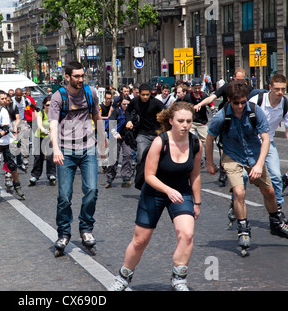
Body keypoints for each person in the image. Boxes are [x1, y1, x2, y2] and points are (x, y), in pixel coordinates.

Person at [109, 102, 202, 291]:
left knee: (187, 234)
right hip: (155, 192)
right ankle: (123, 276)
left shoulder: (195, 143)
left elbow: (195, 174)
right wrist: (167, 190)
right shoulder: (160, 141)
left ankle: (179, 278)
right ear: (171, 121)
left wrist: (197, 202)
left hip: (182, 193)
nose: (185, 125)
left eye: (189, 121)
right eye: (181, 121)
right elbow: (149, 176)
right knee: (140, 240)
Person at [205, 80, 288, 255]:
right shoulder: (221, 116)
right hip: (232, 156)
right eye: (236, 103)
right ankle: (243, 228)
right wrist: (210, 163)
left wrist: (258, 164)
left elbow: (265, 139)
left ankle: (275, 223)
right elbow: (210, 138)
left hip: (254, 155)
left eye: (243, 102)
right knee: (240, 191)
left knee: (270, 192)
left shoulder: (255, 111)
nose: (241, 106)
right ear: (229, 100)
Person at [48, 61, 107, 255]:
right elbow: (53, 125)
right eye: (77, 76)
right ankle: (64, 233)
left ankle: (86, 229)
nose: (81, 79)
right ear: (67, 77)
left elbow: (97, 116)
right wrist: (56, 149)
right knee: (65, 196)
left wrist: (103, 139)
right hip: (65, 150)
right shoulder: (58, 97)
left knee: (91, 190)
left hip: (88, 148)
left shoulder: (90, 93)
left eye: (82, 76)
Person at [248, 74, 288, 214]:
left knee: (276, 176)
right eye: (277, 89)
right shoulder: (256, 100)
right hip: (250, 143)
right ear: (269, 88)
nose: (280, 93)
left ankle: (277, 208)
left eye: (283, 89)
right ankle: (235, 205)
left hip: (268, 143)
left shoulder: (285, 104)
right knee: (243, 177)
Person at [0, 93, 25, 204]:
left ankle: (17, 185)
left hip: (7, 141)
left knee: (11, 166)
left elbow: (6, 128)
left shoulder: (3, 111)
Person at [125, 83, 165, 162]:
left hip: (156, 134)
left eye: (147, 94)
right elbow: (127, 110)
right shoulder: (135, 101)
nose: (145, 97)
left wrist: (161, 117)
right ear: (139, 94)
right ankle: (141, 173)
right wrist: (128, 120)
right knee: (141, 156)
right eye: (143, 95)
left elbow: (167, 113)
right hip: (142, 134)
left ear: (150, 94)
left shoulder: (156, 103)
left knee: (157, 158)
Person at [105, 96, 134, 188]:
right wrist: (115, 133)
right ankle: (110, 177)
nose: (125, 106)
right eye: (124, 104)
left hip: (127, 137)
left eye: (127, 104)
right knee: (113, 157)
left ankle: (126, 177)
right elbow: (111, 124)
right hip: (116, 136)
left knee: (128, 154)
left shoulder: (132, 113)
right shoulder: (116, 112)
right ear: (120, 104)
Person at [29, 96, 56, 186]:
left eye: (51, 105)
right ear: (44, 105)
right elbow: (39, 125)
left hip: (50, 137)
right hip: (39, 136)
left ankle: (51, 174)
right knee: (38, 157)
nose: (49, 107)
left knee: (50, 156)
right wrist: (44, 130)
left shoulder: (55, 113)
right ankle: (35, 176)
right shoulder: (41, 113)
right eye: (48, 105)